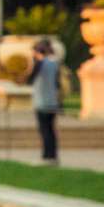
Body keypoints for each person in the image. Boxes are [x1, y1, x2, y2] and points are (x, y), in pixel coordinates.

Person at [30, 37, 63, 165]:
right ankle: (53, 156)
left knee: (44, 130)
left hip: (41, 102)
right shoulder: (55, 63)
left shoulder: (40, 63)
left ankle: (46, 156)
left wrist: (34, 60)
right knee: (51, 130)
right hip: (52, 102)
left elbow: (31, 78)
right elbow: (57, 83)